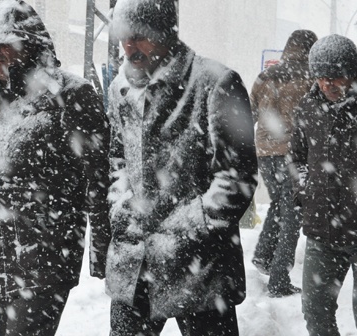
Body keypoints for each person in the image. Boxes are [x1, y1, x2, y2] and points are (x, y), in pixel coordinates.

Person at [0, 1, 111, 335]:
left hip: (45, 260)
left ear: (29, 43)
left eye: (5, 42)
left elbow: (99, 176)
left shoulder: (70, 96)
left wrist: (102, 250)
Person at [104, 0, 257, 335]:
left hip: (200, 268)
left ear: (164, 31)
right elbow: (117, 158)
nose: (129, 45)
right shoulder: (120, 89)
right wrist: (120, 204)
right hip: (135, 266)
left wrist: (186, 227)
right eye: (123, 35)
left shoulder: (216, 83)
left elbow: (237, 178)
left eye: (139, 35)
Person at [290, 34, 357, 336]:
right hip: (323, 230)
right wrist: (303, 189)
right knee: (316, 314)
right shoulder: (308, 108)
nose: (328, 84)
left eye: (336, 77)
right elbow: (296, 157)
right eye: (321, 77)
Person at [250, 29, 318, 298]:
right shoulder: (312, 78)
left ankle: (264, 255)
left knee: (280, 204)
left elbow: (250, 112)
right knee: (293, 215)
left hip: (265, 151)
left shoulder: (266, 76)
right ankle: (279, 280)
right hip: (294, 154)